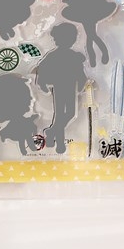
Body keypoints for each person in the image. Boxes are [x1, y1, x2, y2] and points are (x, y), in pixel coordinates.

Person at [35, 22, 87, 154]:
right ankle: (59, 144)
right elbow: (42, 69)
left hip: (71, 87)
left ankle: (51, 132)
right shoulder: (53, 55)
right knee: (59, 115)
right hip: (59, 87)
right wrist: (42, 83)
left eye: (72, 37)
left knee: (70, 113)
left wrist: (82, 84)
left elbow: (80, 73)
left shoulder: (74, 56)